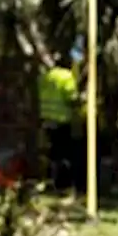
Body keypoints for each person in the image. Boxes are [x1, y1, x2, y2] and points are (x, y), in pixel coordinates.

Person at [38, 60, 80, 191]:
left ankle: (47, 180)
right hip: (61, 119)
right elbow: (71, 98)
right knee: (63, 153)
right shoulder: (66, 76)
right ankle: (61, 183)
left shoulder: (46, 76)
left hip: (46, 117)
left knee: (49, 152)